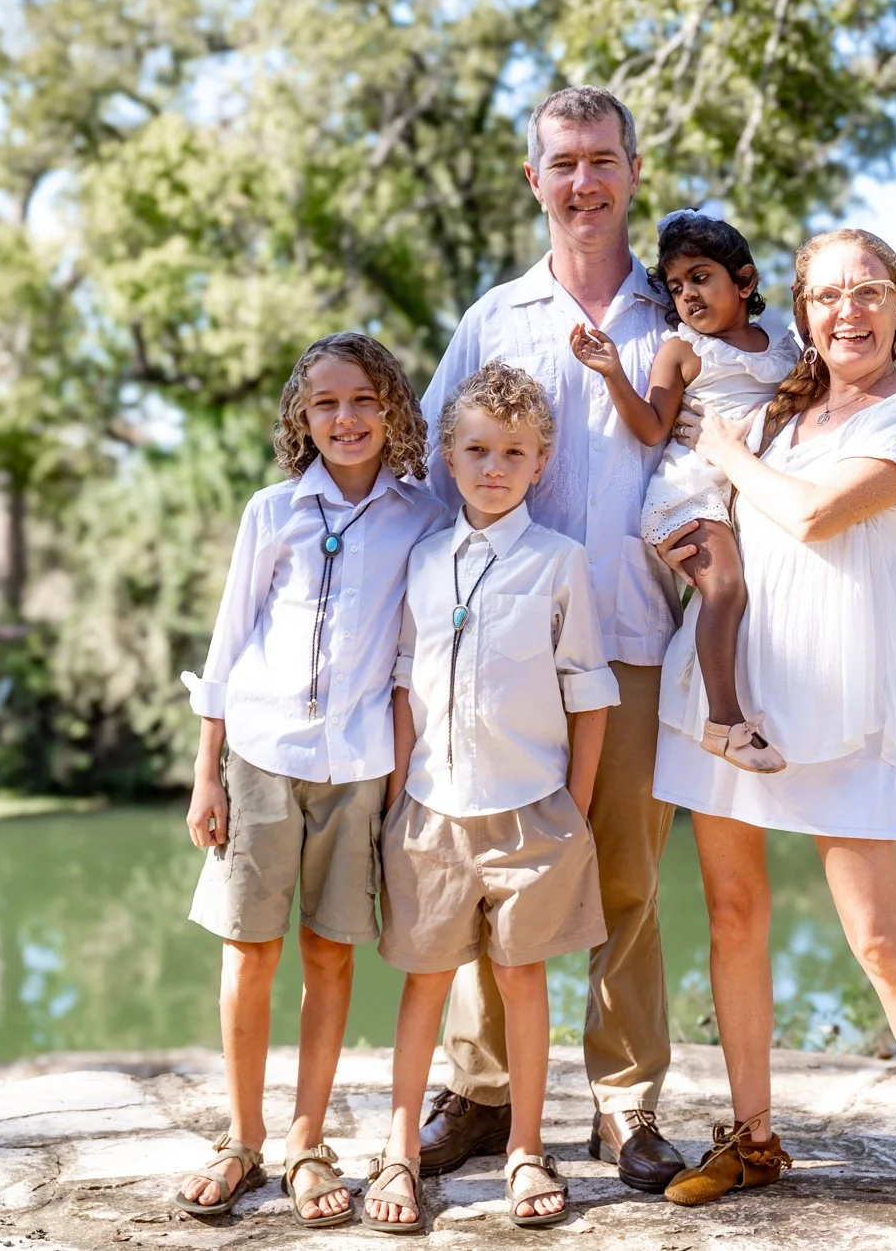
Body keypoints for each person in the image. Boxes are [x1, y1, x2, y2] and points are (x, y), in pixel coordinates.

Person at [652, 229, 896, 1251]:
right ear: (800, 312)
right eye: (824, 297)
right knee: (731, 913)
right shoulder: (776, 408)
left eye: (866, 293)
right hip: (728, 696)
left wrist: (717, 448)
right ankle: (753, 1134)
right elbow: (731, 522)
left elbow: (811, 518)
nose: (844, 313)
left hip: (844, 704)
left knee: (879, 941)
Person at [414, 86, 686, 1193]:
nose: (583, 182)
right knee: (488, 869)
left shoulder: (676, 319)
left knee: (625, 879)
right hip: (500, 655)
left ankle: (625, 1108)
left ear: (631, 171)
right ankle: (478, 1096)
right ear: (534, 179)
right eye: (562, 162)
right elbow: (434, 468)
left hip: (627, 634)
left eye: (602, 160)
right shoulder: (493, 318)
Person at [171, 333, 443, 1227]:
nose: (346, 417)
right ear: (302, 418)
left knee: (331, 953)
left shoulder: (421, 516)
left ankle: (306, 1139)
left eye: (363, 398)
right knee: (250, 950)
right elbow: (227, 641)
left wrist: (402, 785)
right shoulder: (273, 511)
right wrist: (205, 774)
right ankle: (242, 1137)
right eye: (325, 403)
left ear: (393, 408)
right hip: (258, 757)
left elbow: (411, 662)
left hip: (357, 766)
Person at [362, 362, 617, 1232]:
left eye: (513, 452)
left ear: (541, 461)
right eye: (476, 450)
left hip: (532, 812)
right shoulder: (424, 560)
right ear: (448, 454)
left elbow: (589, 694)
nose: (493, 467)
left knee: (521, 977)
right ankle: (400, 1151)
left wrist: (573, 812)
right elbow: (403, 686)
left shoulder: (559, 564)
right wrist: (398, 801)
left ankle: (525, 1147)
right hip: (431, 810)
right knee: (427, 982)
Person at [569, 210, 800, 772]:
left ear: (744, 282)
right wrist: (612, 372)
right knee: (724, 588)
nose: (688, 294)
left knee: (756, 598)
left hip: (743, 494)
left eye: (701, 277)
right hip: (685, 494)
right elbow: (651, 426)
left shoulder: (786, 346)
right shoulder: (683, 350)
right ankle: (723, 724)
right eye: (676, 287)